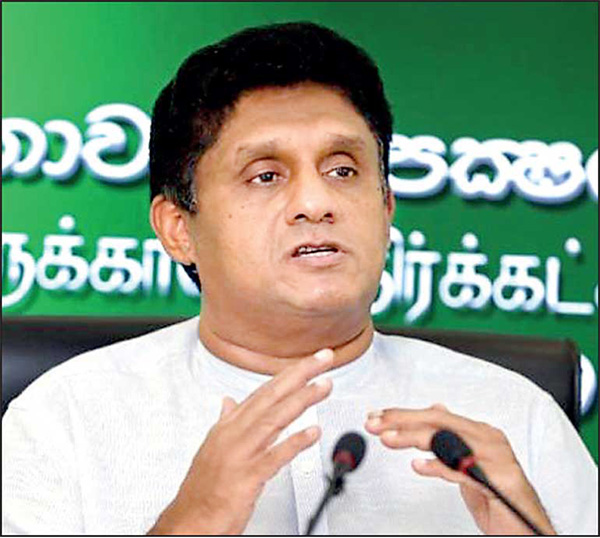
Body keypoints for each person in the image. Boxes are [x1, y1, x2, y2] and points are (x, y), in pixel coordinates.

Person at [2, 22, 597, 536]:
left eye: (343, 170)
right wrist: (192, 521)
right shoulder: (65, 421)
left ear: (387, 207)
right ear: (178, 228)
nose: (316, 203)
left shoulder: (514, 418)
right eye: (265, 176)